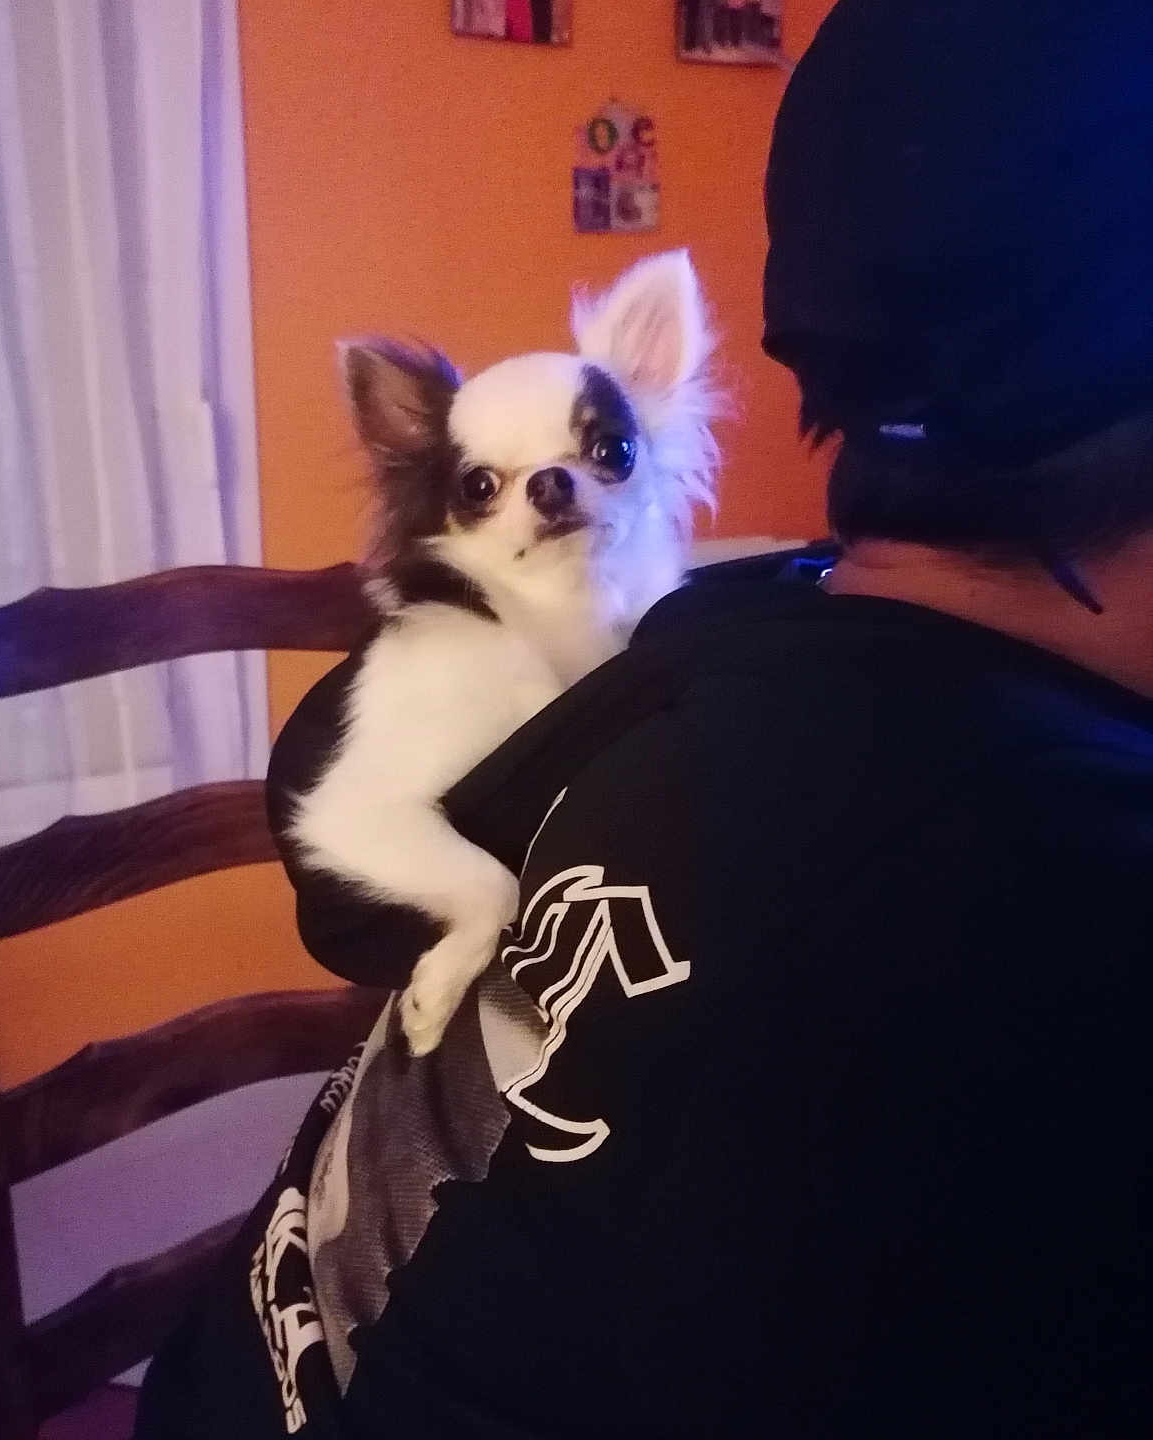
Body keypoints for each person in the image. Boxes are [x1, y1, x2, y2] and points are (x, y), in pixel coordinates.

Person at [135, 2, 1153, 1434]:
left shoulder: (703, 643)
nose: (545, 495)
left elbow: (338, 837)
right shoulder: (1055, 925)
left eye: (585, 455)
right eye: (490, 483)